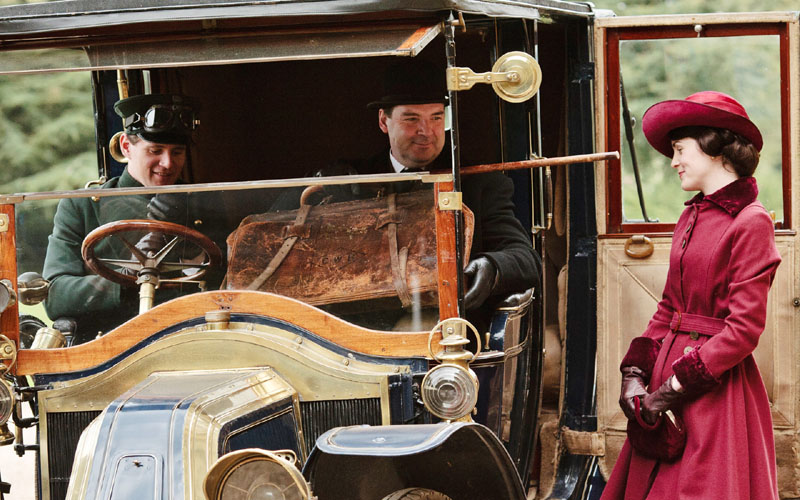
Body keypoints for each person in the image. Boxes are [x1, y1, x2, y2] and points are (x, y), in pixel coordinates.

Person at [602, 91, 780, 500]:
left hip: (713, 390)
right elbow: (669, 307)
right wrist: (635, 374)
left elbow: (744, 330)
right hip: (665, 376)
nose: (673, 161)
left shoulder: (751, 221)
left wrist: (673, 389)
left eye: (680, 149)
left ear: (714, 147)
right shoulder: (690, 214)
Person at [275, 58, 540, 325]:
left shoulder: (477, 181)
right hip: (352, 327)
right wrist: (323, 183)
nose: (426, 131)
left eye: (436, 117)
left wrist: (491, 267)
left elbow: (525, 258)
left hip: (443, 329)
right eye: (412, 119)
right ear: (384, 121)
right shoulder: (353, 176)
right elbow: (276, 225)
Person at [42, 93, 210, 344]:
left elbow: (230, 285)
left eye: (177, 152)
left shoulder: (201, 203)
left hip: (190, 337)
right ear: (126, 147)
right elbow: (55, 296)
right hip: (109, 343)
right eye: (155, 150)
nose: (167, 163)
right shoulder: (82, 206)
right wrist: (123, 278)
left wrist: (191, 253)